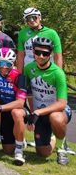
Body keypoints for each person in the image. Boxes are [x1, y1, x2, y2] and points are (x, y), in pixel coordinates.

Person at [23, 37, 72, 165]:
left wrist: (38, 112)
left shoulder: (58, 73)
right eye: (37, 52)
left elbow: (62, 103)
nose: (41, 56)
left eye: (45, 53)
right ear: (33, 51)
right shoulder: (28, 69)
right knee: (43, 153)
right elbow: (27, 93)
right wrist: (31, 113)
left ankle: (61, 149)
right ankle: (54, 137)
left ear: (50, 54)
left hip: (58, 110)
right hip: (40, 112)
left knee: (56, 118)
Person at [0, 48, 28, 165]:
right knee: (7, 151)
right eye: (2, 63)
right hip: (5, 112)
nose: (4, 67)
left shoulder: (19, 77)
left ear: (12, 63)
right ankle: (17, 137)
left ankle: (19, 151)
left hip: (20, 110)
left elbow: (20, 103)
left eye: (8, 64)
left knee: (16, 112)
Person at [17, 8, 63, 72]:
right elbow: (20, 56)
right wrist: (19, 74)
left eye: (34, 17)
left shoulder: (52, 33)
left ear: (40, 17)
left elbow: (57, 57)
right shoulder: (22, 33)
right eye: (28, 19)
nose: (32, 20)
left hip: (47, 72)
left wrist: (59, 74)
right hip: (29, 71)